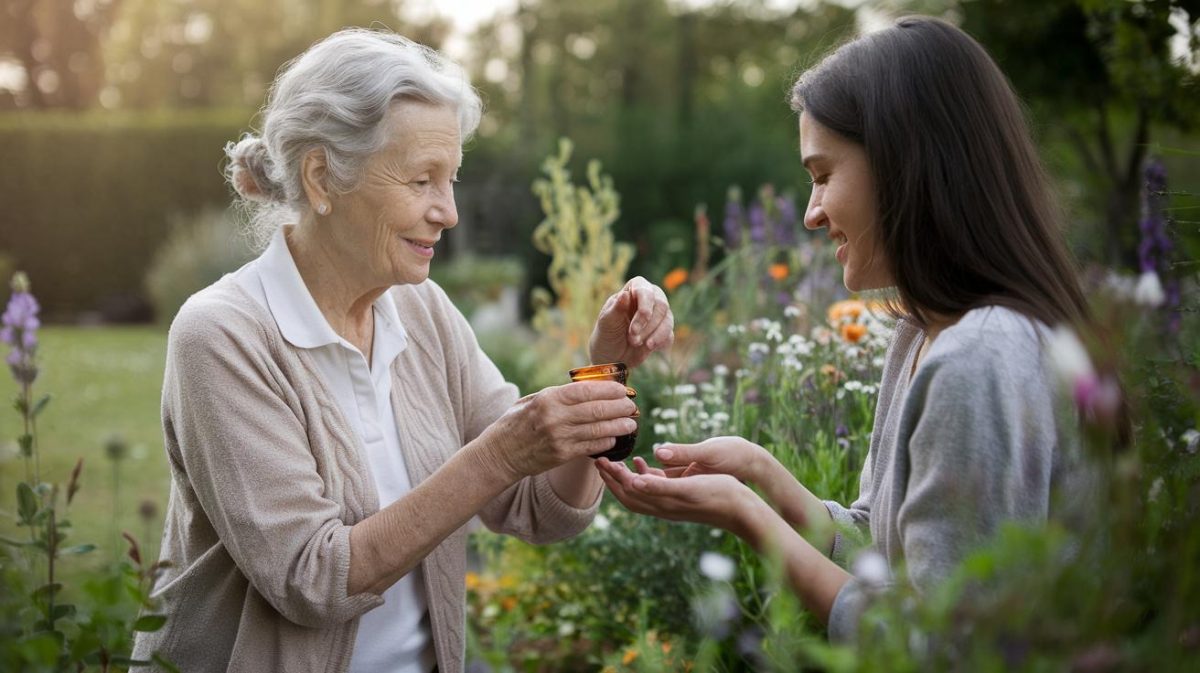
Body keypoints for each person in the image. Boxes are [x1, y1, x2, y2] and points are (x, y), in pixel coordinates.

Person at [132, 29, 674, 673]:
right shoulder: (223, 335)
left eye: (451, 181)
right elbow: (312, 577)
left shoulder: (421, 311)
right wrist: (499, 453)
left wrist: (602, 372)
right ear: (322, 177)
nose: (447, 212)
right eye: (422, 180)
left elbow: (539, 507)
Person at [598, 16, 1100, 643]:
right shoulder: (919, 337)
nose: (810, 214)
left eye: (823, 175)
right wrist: (763, 475)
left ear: (905, 164)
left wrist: (747, 516)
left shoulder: (981, 359)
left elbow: (941, 648)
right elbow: (889, 554)